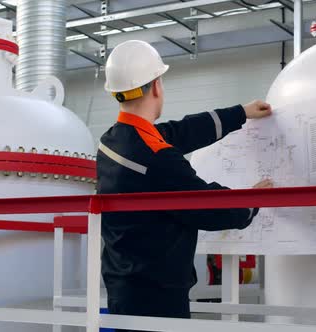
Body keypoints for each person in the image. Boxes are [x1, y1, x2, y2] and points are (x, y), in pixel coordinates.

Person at [96, 40, 273, 330]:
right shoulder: (156, 157)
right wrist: (252, 201)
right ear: (156, 87)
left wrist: (241, 112)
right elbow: (210, 208)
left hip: (124, 287)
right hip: (158, 298)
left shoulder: (111, 142)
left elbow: (182, 131)